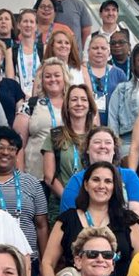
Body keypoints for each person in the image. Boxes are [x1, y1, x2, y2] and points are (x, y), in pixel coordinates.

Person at [42, 162, 139, 276]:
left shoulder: (128, 222)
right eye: (96, 180)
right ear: (86, 185)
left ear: (114, 187)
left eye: (108, 181)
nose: (101, 186)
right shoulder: (67, 220)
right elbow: (47, 263)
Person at [0, 128, 49, 275]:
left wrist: (45, 264)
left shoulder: (32, 183)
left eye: (11, 148)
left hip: (27, 262)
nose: (5, 152)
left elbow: (42, 225)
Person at [58, 125, 139, 221]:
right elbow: (67, 219)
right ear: (87, 149)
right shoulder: (77, 180)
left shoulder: (129, 176)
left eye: (108, 143)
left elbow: (138, 215)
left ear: (114, 150)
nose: (103, 146)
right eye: (97, 142)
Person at [41, 84, 97, 218]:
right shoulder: (55, 135)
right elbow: (49, 177)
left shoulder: (97, 135)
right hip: (62, 202)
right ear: (66, 105)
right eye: (74, 99)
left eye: (84, 99)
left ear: (90, 105)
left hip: (94, 203)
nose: (79, 103)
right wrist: (70, 198)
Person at [15, 58, 70, 179]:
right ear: (42, 80)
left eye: (57, 75)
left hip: (67, 176)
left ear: (64, 78)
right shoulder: (30, 105)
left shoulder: (74, 104)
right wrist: (21, 178)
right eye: (48, 76)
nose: (53, 79)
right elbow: (18, 145)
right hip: (35, 176)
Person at [108, 44, 139, 157]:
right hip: (128, 143)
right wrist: (115, 148)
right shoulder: (122, 89)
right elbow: (112, 121)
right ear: (134, 64)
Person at [83, 34, 127, 125]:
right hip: (84, 124)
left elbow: (125, 103)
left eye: (103, 48)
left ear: (109, 53)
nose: (99, 51)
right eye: (95, 48)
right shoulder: (79, 71)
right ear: (88, 51)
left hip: (112, 125)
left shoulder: (119, 74)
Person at [7, 9, 41, 96]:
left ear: (36, 26)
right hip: (18, 99)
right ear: (18, 25)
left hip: (40, 98)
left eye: (31, 22)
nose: (28, 25)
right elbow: (10, 80)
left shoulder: (43, 49)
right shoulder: (11, 51)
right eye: (25, 21)